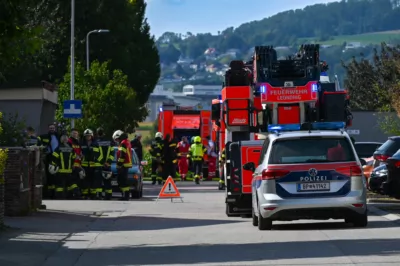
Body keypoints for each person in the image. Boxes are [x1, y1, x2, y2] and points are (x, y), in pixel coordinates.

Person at [49, 134, 79, 199]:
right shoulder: (71, 149)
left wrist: (53, 166)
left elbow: (54, 158)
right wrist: (73, 165)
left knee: (60, 185)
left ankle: (59, 197)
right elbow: (74, 158)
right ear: (67, 140)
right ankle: (75, 195)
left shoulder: (58, 148)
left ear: (61, 140)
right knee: (71, 184)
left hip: (60, 171)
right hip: (69, 171)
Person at [37, 123, 60, 199]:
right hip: (49, 157)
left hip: (58, 157)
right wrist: (44, 148)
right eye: (50, 128)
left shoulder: (58, 136)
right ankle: (50, 193)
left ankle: (57, 192)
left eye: (53, 128)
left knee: (58, 174)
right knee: (50, 174)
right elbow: (38, 140)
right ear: (48, 129)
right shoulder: (45, 137)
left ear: (55, 129)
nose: (52, 129)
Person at [80, 129, 102, 199]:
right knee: (85, 180)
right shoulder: (82, 143)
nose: (88, 137)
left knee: (93, 180)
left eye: (89, 136)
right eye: (86, 136)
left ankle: (93, 194)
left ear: (91, 136)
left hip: (93, 165)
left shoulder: (95, 143)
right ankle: (85, 194)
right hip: (84, 165)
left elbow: (99, 154)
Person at [112, 130, 132, 201]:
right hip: (126, 164)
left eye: (116, 139)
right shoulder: (127, 142)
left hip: (123, 164)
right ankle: (125, 195)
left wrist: (119, 164)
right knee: (123, 180)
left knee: (122, 181)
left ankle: (125, 196)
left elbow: (122, 155)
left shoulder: (123, 143)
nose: (116, 141)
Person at [96, 127, 114, 200]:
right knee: (107, 181)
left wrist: (102, 162)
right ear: (104, 133)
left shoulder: (96, 142)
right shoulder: (109, 142)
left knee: (98, 181)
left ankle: (99, 195)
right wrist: (108, 162)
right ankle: (108, 196)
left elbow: (96, 154)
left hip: (99, 165)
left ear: (97, 133)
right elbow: (112, 153)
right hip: (108, 165)